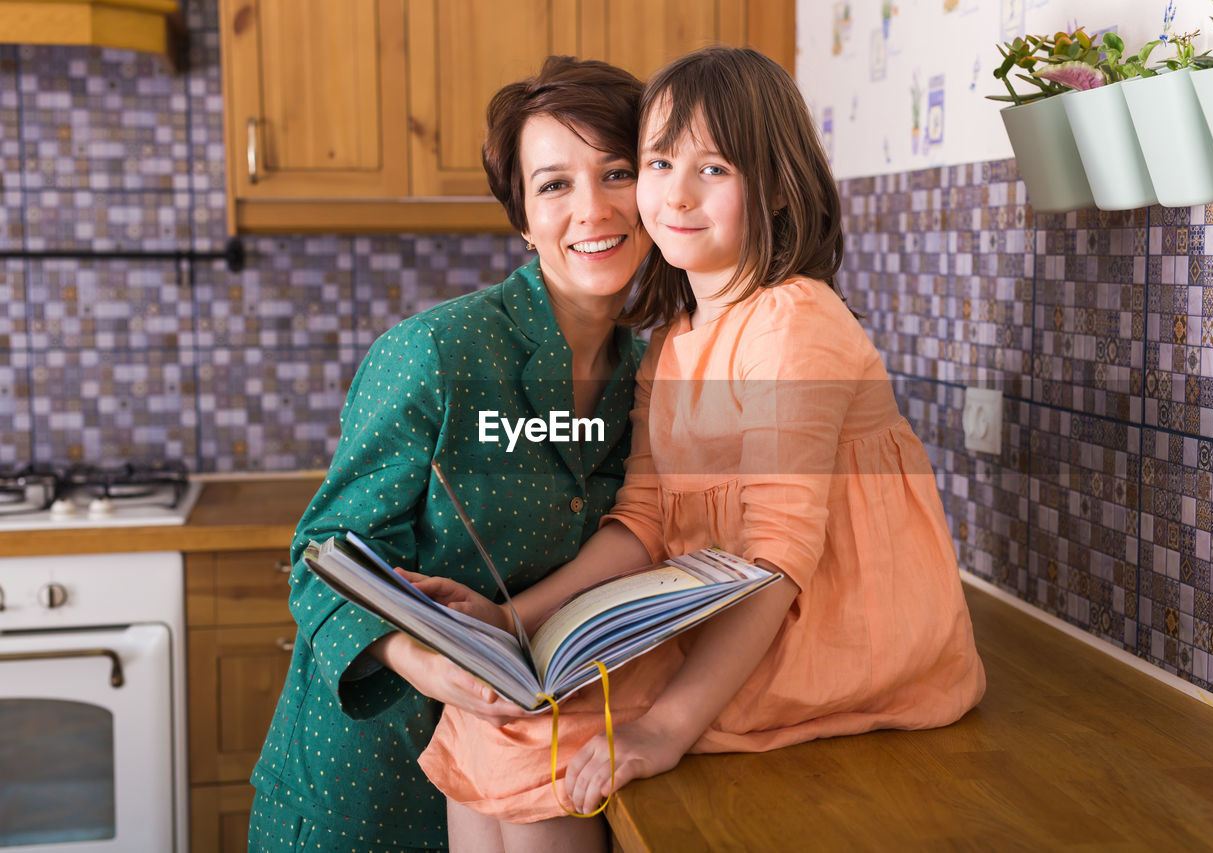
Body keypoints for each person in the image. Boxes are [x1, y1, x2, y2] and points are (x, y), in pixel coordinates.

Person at [416, 46, 987, 851]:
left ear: (777, 186)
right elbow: (643, 518)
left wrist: (668, 729)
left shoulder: (795, 322)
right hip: (732, 618)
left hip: (834, 634)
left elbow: (780, 553)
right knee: (494, 711)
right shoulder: (676, 342)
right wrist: (514, 618)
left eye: (713, 168)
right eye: (657, 162)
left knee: (550, 731)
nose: (674, 195)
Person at [245, 55, 653, 852]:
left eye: (617, 172)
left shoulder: (647, 376)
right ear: (523, 219)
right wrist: (424, 663)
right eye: (554, 185)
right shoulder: (437, 353)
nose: (593, 209)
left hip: (530, 778)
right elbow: (318, 558)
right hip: (367, 782)